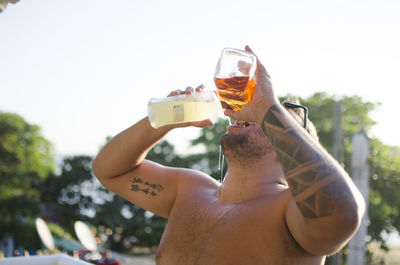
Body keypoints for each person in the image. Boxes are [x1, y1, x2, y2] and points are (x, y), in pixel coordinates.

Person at [92, 46, 365, 265]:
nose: (251, 111)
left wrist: (268, 108)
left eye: (276, 119)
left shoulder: (290, 213)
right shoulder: (190, 189)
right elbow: (109, 170)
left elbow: (343, 211)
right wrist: (164, 119)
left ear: (289, 153)